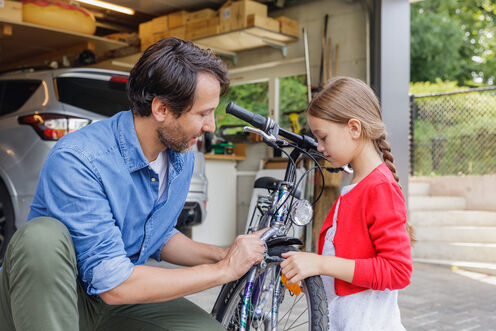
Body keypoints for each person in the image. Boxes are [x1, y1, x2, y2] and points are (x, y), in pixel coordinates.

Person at [0, 37, 266, 331]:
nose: (211, 126)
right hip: (54, 298)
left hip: (115, 298)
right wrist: (222, 270)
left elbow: (158, 235)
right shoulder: (80, 158)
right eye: (203, 113)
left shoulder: (180, 156)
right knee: (41, 236)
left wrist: (226, 254)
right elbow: (114, 284)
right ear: (162, 109)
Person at [280, 77, 413, 330]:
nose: (319, 147)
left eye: (323, 137)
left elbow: (398, 270)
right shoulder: (357, 183)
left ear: (354, 128)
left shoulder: (379, 188)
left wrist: (319, 263)